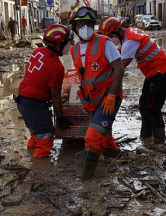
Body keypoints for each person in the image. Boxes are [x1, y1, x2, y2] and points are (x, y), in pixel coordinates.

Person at [98, 16, 166, 145]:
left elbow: (120, 67)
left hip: (162, 75)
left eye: (109, 36)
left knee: (152, 109)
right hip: (154, 74)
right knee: (143, 104)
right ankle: (145, 137)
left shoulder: (130, 42)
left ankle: (159, 143)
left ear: (116, 31)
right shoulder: (129, 33)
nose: (110, 40)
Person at [69, 6, 125, 180]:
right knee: (104, 130)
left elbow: (119, 69)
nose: (84, 28)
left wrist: (112, 96)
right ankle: (113, 154)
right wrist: (73, 95)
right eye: (80, 24)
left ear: (93, 25)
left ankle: (86, 178)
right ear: (74, 28)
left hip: (109, 97)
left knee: (92, 134)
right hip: (92, 100)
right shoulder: (74, 50)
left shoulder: (104, 43)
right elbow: (81, 76)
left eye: (87, 23)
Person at [15, 24, 74, 158]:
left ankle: (30, 153)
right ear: (58, 45)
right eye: (67, 42)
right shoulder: (57, 66)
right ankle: (39, 168)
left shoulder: (37, 52)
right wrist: (61, 118)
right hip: (35, 105)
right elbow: (55, 95)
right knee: (46, 136)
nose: (69, 45)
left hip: (23, 101)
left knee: (37, 133)